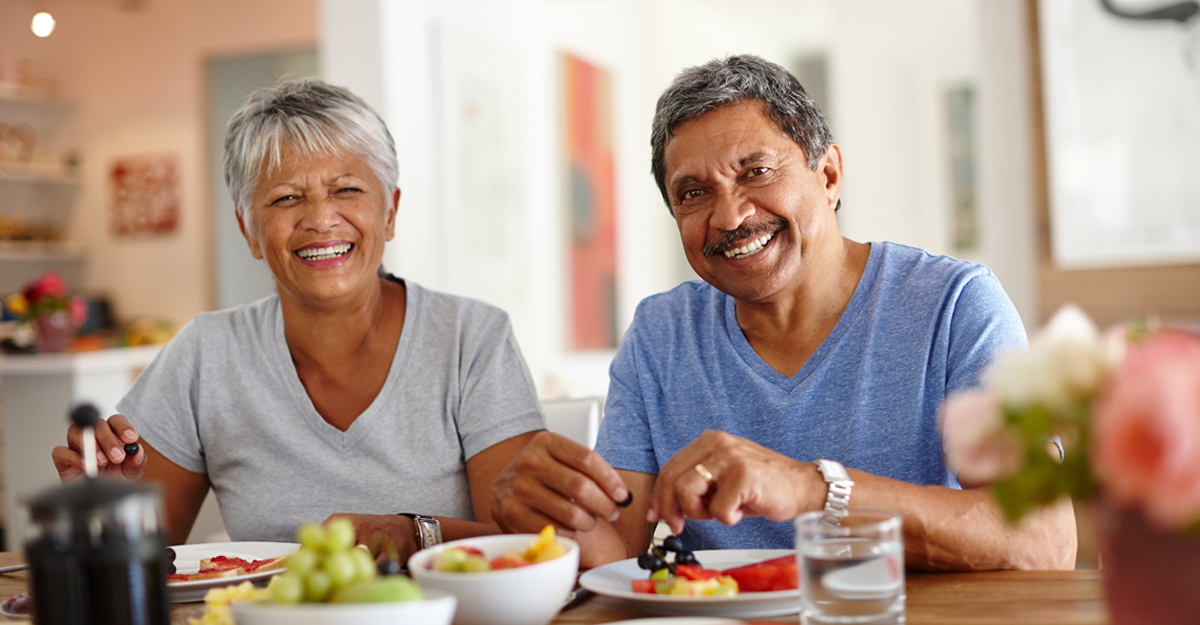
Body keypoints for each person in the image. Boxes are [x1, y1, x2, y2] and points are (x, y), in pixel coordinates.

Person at [491, 55, 1076, 571]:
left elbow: (1041, 540)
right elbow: (616, 553)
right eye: (693, 193)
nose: (728, 216)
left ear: (828, 175)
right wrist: (547, 514)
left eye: (756, 172)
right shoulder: (661, 333)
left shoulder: (955, 306)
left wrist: (812, 488)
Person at [52, 79, 545, 560]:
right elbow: (135, 562)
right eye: (286, 197)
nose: (320, 219)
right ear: (248, 228)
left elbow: (530, 544)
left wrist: (413, 533)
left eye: (347, 189)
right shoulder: (205, 354)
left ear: (390, 211)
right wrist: (107, 506)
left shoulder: (472, 338)